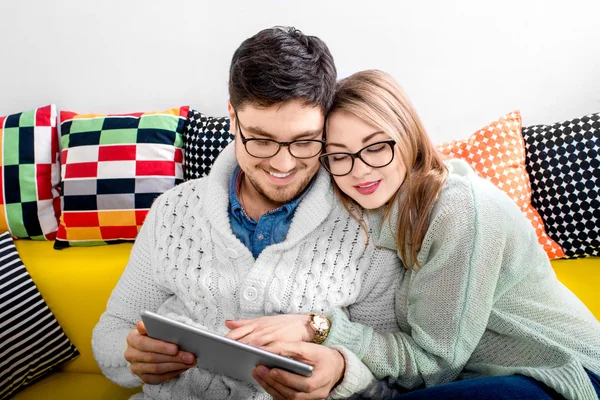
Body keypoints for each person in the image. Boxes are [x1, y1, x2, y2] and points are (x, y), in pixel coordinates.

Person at [226, 70, 600, 400]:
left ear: (407, 136)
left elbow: (434, 365)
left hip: (567, 374)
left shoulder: (460, 210)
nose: (359, 170)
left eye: (376, 147)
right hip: (485, 379)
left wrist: (318, 327)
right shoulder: (370, 209)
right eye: (340, 156)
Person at [92, 29, 403, 399]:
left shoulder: (366, 226)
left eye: (304, 142)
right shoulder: (172, 212)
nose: (283, 164)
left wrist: (341, 371)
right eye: (261, 140)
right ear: (232, 116)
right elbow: (112, 330)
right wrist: (132, 356)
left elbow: (396, 373)